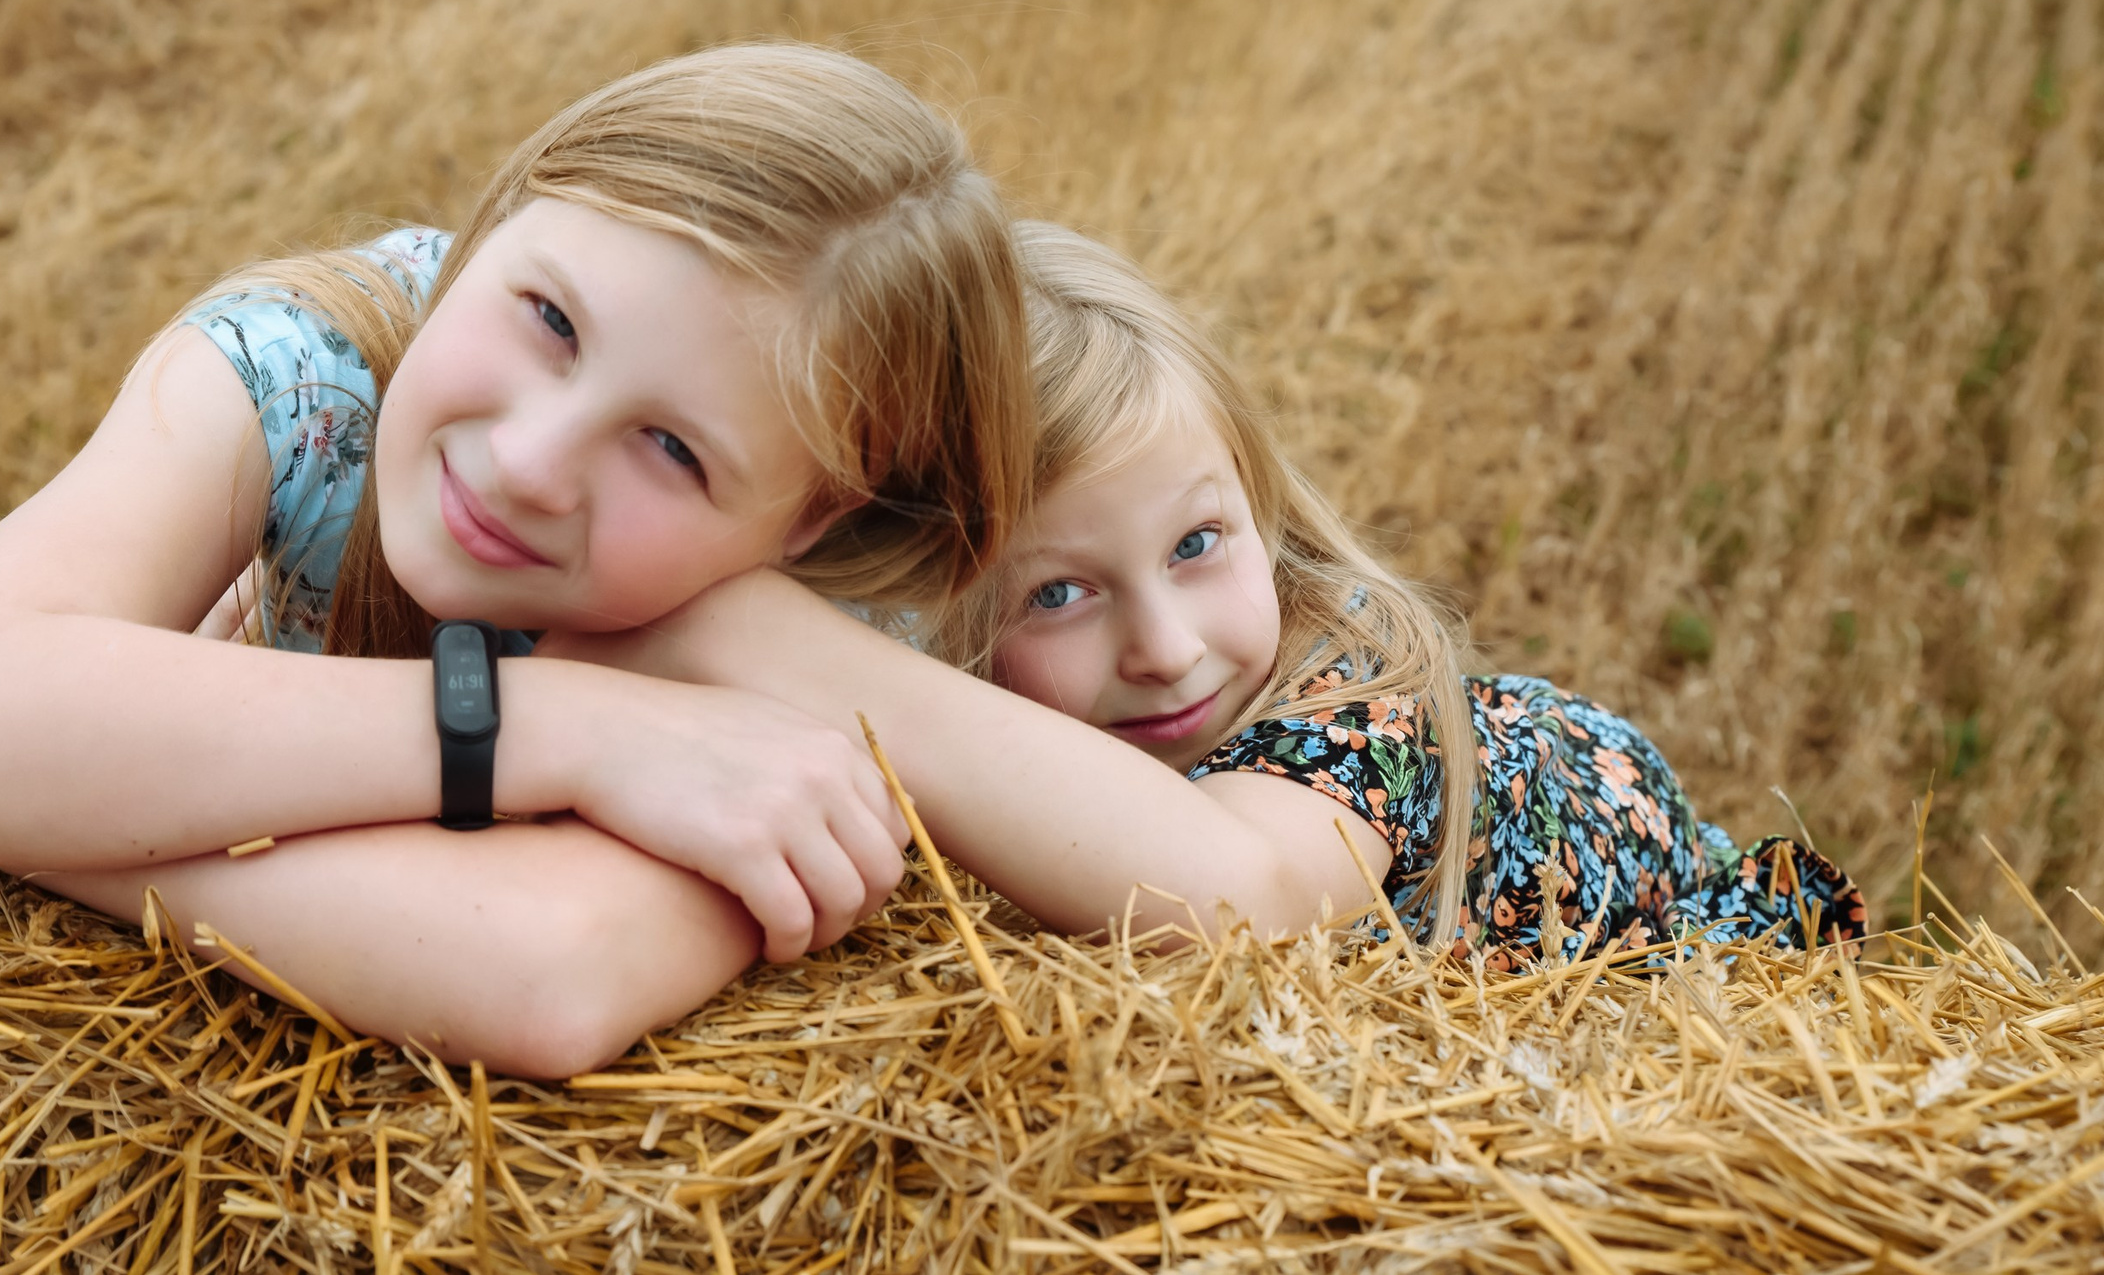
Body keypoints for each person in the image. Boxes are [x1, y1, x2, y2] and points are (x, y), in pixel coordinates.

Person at [0, 43, 1036, 1076]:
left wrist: (19, 806)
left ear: (810, 522)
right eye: (550, 315)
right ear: (492, 226)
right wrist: (568, 729)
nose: (535, 459)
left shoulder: (789, 634)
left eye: (673, 450)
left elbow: (542, 973)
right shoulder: (303, 366)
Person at [553, 222, 1865, 962]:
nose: (1168, 647)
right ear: (950, 626)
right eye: (1058, 594)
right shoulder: (1023, 725)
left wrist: (738, 636)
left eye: (1197, 544)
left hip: (1697, 978)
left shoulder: (1362, 703)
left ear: (1261, 503)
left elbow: (1236, 902)